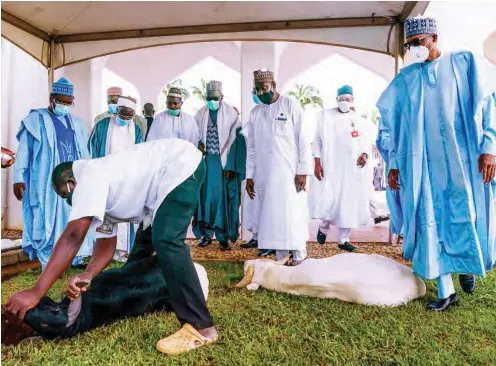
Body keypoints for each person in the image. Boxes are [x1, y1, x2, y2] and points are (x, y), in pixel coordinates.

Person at [6, 139, 218, 355]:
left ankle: (202, 327)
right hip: (161, 186)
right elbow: (107, 244)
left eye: (65, 194)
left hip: (179, 163)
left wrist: (36, 291)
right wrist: (87, 275)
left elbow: (73, 236)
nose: (68, 200)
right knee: (134, 266)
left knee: (167, 240)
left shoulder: (89, 176)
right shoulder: (102, 195)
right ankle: (147, 292)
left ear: (71, 182)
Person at [377, 15, 496, 311]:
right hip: (423, 169)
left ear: (434, 38)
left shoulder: (463, 63)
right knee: (430, 221)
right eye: (408, 45)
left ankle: (467, 265)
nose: (413, 49)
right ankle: (446, 291)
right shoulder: (406, 80)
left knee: (463, 213)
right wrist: (393, 161)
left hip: (462, 162)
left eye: (417, 42)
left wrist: (490, 146)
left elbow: (489, 102)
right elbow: (389, 123)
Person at [12, 77, 94, 269]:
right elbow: (24, 151)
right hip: (45, 181)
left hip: (72, 179)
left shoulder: (77, 122)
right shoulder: (35, 120)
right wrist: (18, 178)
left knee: (73, 216)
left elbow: (85, 153)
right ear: (51, 98)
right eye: (61, 101)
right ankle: (49, 261)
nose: (65, 105)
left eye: (69, 102)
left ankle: (75, 257)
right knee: (47, 218)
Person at [243, 69, 312, 266]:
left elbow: (303, 140)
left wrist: (302, 171)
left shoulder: (290, 105)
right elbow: (253, 148)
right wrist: (250, 176)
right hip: (264, 173)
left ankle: (299, 253)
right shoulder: (256, 113)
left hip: (289, 172)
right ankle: (281, 257)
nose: (261, 93)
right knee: (272, 215)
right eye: (257, 90)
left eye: (264, 88)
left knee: (292, 212)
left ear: (273, 85)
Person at [310, 85, 372, 252]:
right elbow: (316, 140)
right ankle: (323, 227)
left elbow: (366, 142)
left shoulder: (359, 119)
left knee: (349, 204)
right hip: (332, 167)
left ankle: (343, 240)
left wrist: (365, 155)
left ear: (353, 100)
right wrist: (317, 162)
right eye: (341, 99)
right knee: (331, 200)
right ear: (336, 100)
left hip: (352, 169)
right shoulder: (325, 117)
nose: (345, 102)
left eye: (348, 99)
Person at [88, 96, 143, 261]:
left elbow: (140, 155)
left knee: (125, 214)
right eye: (122, 115)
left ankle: (124, 250)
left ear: (133, 114)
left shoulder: (137, 130)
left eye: (129, 116)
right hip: (106, 176)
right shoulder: (102, 126)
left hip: (127, 179)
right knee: (105, 214)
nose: (125, 119)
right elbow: (92, 150)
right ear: (116, 111)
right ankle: (103, 251)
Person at [193, 80, 246, 251]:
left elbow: (236, 142)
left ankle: (223, 237)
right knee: (204, 199)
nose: (212, 101)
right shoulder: (200, 114)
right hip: (205, 162)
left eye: (215, 98)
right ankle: (205, 235)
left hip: (223, 165)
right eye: (209, 97)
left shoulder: (231, 115)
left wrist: (230, 166)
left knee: (222, 201)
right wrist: (198, 144)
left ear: (221, 96)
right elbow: (193, 136)